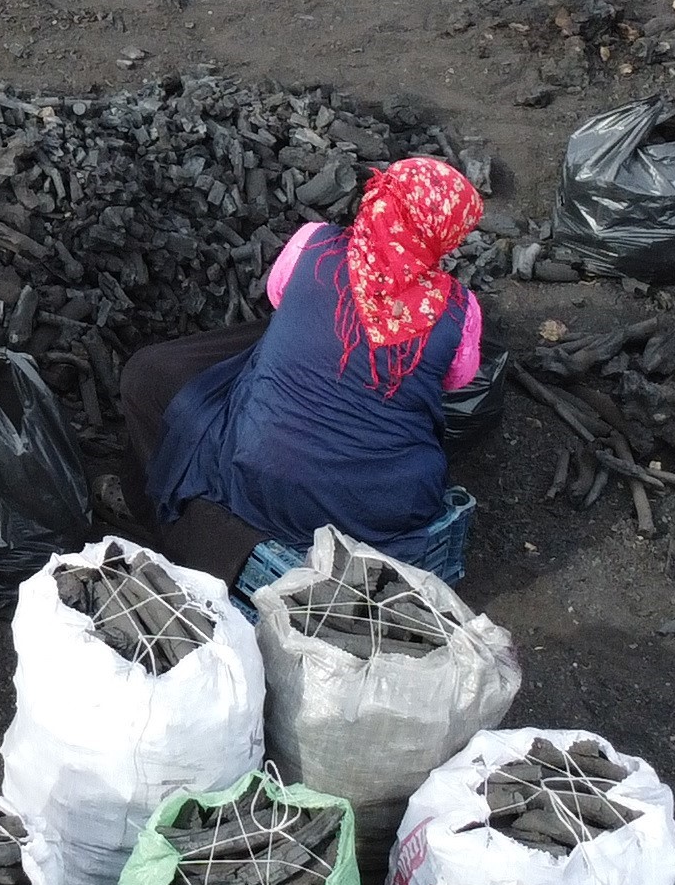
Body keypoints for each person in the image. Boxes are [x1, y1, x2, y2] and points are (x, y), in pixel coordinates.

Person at [121, 157, 488, 582]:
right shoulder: (460, 311)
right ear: (442, 236)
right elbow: (456, 379)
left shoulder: (313, 244)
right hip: (385, 504)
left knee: (225, 388)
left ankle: (190, 532)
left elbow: (279, 297)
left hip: (262, 477)